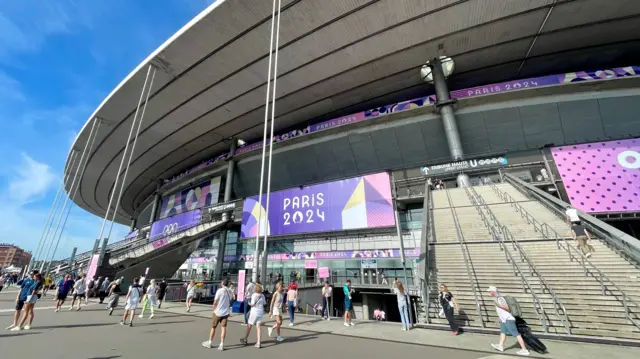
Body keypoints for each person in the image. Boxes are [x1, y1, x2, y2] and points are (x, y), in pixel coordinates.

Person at [487, 286, 530, 356]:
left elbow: (507, 307)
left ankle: (524, 350)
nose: (489, 293)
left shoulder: (500, 298)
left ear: (493, 291)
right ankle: (500, 346)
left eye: (490, 291)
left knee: (516, 334)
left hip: (508, 319)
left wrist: (498, 305)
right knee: (503, 332)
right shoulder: (497, 298)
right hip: (504, 319)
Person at [202, 279, 234, 351]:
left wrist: (214, 308)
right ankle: (221, 344)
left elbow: (215, 301)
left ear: (222, 283)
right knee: (223, 328)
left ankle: (210, 342)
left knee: (213, 327)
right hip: (225, 312)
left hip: (218, 312)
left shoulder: (219, 290)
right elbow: (230, 300)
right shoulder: (230, 291)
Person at [240, 283, 266, 348]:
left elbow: (252, 304)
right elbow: (264, 303)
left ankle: (245, 338)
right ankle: (259, 342)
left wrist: (248, 303)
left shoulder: (254, 295)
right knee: (258, 327)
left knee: (249, 325)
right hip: (260, 312)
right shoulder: (262, 295)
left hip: (254, 312)